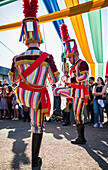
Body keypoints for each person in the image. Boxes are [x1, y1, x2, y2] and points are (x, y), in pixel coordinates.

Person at [8, 0, 60, 169]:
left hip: (25, 97)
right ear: (39, 35)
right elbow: (54, 80)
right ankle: (35, 160)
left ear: (25, 37)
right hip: (38, 98)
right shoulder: (48, 58)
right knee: (37, 127)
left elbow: (14, 79)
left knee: (33, 122)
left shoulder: (16, 59)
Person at [54, 23, 89, 144]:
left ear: (74, 55)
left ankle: (81, 137)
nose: (68, 59)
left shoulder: (82, 63)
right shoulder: (74, 65)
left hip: (79, 92)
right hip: (73, 91)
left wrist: (70, 80)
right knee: (56, 91)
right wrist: (66, 79)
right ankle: (57, 111)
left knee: (78, 115)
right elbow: (73, 78)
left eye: (70, 57)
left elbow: (84, 76)